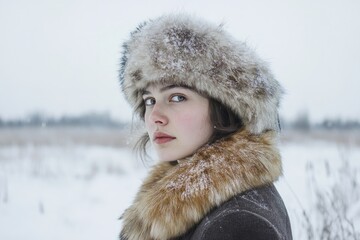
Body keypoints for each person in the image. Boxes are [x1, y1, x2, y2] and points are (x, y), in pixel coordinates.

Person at [119, 14, 292, 240]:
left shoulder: (238, 224)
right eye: (150, 100)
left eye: (177, 97)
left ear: (224, 108)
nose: (155, 117)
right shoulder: (226, 200)